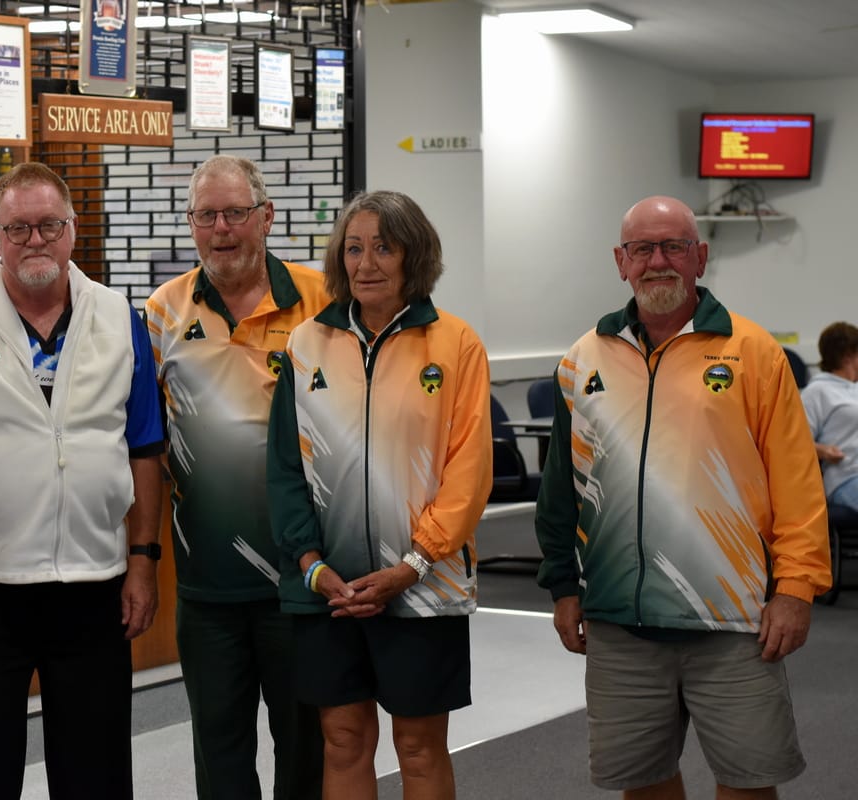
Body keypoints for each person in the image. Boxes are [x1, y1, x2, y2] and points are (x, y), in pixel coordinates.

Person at [533, 195, 832, 800]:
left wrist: (796, 589)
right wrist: (563, 585)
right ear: (621, 261)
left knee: (748, 784)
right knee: (641, 783)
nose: (658, 261)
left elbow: (797, 486)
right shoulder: (582, 358)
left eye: (673, 247)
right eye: (642, 248)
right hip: (621, 622)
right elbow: (561, 491)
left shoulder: (753, 353)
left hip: (734, 620)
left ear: (700, 256)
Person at [0, 162, 164, 800]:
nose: (35, 240)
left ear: (73, 229)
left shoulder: (119, 318)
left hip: (94, 584)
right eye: (18, 228)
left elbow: (145, 449)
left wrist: (143, 563)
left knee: (95, 774)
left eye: (49, 225)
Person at [267, 190, 493, 799]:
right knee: (342, 740)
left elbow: (468, 472)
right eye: (354, 249)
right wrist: (311, 566)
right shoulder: (306, 344)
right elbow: (285, 467)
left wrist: (414, 563)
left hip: (425, 582)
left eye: (383, 248)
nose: (366, 263)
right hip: (328, 588)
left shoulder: (455, 344)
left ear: (413, 255)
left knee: (419, 746)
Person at [145, 155, 329, 799]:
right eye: (206, 216)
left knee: (307, 749)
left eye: (236, 213)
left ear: (266, 216)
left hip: (303, 575)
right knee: (218, 749)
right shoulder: (162, 311)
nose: (221, 229)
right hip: (207, 583)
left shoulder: (322, 299)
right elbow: (147, 438)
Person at [801, 321, 858, 514]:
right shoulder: (817, 391)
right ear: (848, 356)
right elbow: (797, 442)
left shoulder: (855, 388)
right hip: (846, 477)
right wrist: (824, 451)